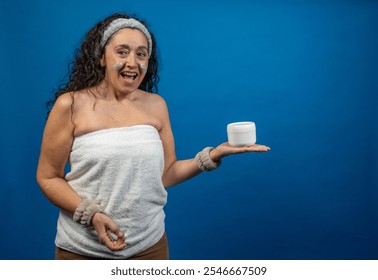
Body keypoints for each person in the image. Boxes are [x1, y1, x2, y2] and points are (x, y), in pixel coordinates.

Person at [36, 12, 270, 260]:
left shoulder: (156, 105)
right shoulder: (70, 106)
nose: (133, 63)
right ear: (101, 57)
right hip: (83, 251)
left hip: (150, 248)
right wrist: (91, 215)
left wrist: (213, 155)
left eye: (141, 53)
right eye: (122, 51)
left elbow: (166, 174)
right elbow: (48, 177)